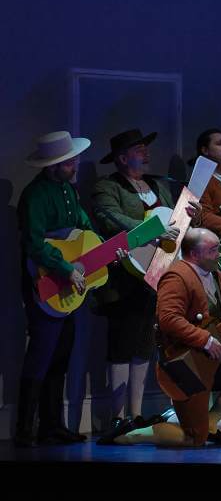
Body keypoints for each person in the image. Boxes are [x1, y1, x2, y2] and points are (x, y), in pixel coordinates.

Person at [99, 228, 221, 447]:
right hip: (184, 365)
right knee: (193, 439)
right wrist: (204, 339)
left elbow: (218, 317)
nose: (220, 254)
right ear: (194, 254)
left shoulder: (217, 275)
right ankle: (130, 434)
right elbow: (168, 319)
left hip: (209, 361)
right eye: (213, 250)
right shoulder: (176, 276)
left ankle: (209, 423)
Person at [91, 128, 180, 434]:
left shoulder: (157, 184)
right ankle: (117, 417)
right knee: (121, 343)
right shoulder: (107, 187)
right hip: (123, 275)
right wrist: (153, 229)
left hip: (156, 273)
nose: (146, 152)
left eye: (145, 147)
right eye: (139, 148)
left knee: (144, 344)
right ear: (121, 157)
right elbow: (112, 219)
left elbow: (173, 220)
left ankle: (137, 413)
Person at [13, 132, 94, 446]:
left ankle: (51, 425)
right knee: (41, 353)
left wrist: (100, 248)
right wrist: (66, 268)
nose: (75, 165)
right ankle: (24, 429)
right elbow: (34, 245)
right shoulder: (35, 195)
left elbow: (83, 227)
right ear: (53, 165)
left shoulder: (68, 191)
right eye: (69, 161)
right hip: (44, 281)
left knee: (61, 353)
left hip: (68, 285)